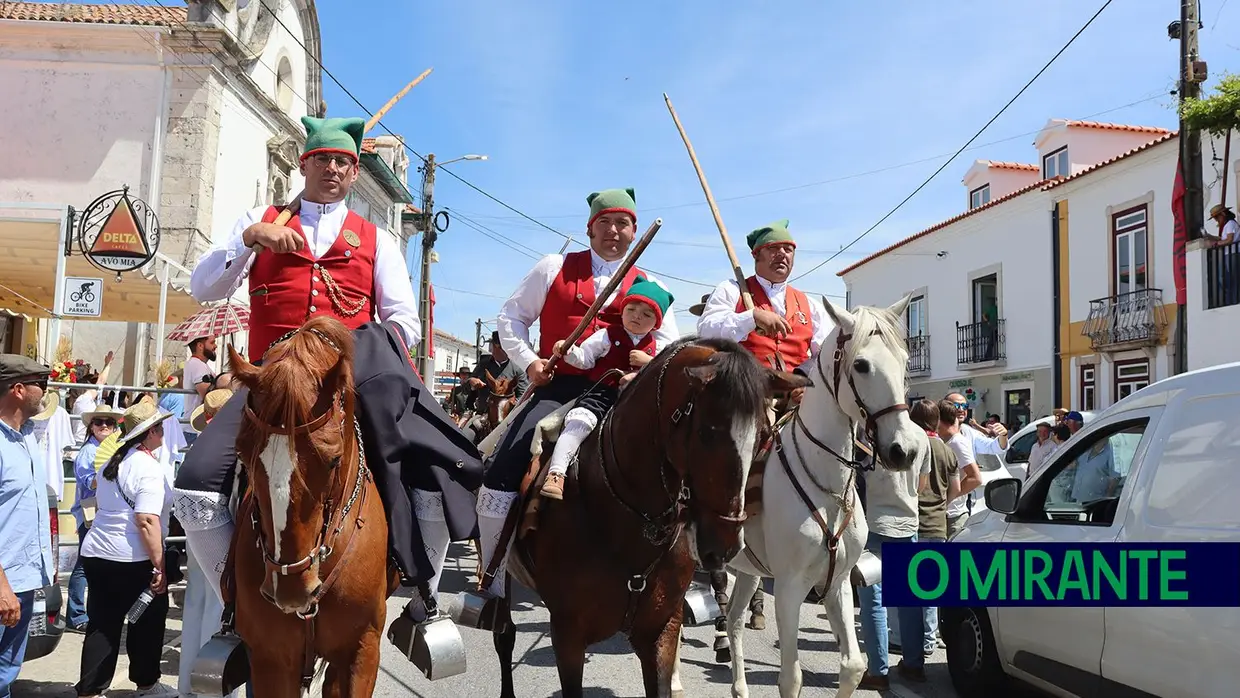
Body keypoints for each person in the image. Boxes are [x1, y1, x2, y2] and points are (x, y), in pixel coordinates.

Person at [177, 116, 481, 657]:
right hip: (271, 385)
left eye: (343, 161)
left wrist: (346, 347)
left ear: (354, 170)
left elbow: (403, 322)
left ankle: (423, 597)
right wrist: (250, 240)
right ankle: (235, 599)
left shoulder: (377, 239)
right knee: (196, 483)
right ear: (304, 165)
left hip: (347, 380)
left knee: (433, 473)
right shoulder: (259, 220)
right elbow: (203, 285)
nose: (333, 169)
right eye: (323, 159)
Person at [483, 187, 680, 597]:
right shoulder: (554, 266)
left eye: (622, 223)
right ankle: (492, 573)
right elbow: (511, 317)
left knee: (682, 470)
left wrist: (648, 364)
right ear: (590, 229)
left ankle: (679, 571)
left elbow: (670, 343)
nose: (613, 230)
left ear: (634, 231)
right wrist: (530, 362)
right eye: (604, 222)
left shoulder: (651, 284)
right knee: (504, 466)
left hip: (627, 391)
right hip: (562, 384)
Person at [696, 220, 833, 628]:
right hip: (746, 394)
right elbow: (707, 330)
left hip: (794, 395)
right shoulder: (731, 291)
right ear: (756, 256)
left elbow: (820, 352)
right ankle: (719, 523)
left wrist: (806, 382)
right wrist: (751, 318)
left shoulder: (806, 302)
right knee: (736, 448)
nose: (782, 256)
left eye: (789, 250)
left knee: (839, 446)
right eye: (774, 250)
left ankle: (838, 536)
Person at [76, 400, 175, 697]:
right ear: (150, 432)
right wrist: (159, 564)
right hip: (133, 556)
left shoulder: (113, 461)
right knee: (147, 622)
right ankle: (146, 683)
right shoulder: (148, 468)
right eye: (159, 427)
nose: (163, 431)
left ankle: (91, 689)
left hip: (99, 552)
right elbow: (146, 520)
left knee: (102, 624)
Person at [541, 279, 672, 500]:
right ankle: (557, 473)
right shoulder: (607, 335)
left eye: (647, 315)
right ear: (622, 312)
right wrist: (568, 350)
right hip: (601, 394)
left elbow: (666, 373)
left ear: (656, 324)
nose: (637, 316)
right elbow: (585, 359)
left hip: (638, 404)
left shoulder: (658, 349)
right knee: (578, 423)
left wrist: (648, 362)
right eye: (631, 309)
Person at [856, 404, 932, 690]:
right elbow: (922, 485)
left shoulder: (869, 433)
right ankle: (914, 665)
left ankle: (878, 670)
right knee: (910, 600)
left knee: (873, 601)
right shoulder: (921, 435)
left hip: (874, 524)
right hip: (908, 524)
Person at [0, 355, 55, 697]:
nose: (46, 393)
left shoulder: (29, 438)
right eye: (42, 385)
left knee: (6, 671)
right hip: (4, 581)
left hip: (24, 579)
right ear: (19, 390)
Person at [66, 405, 124, 633]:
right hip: (91, 512)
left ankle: (86, 612)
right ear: (91, 426)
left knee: (95, 563)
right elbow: (89, 482)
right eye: (98, 422)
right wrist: (110, 474)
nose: (103, 426)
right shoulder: (89, 452)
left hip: (104, 511)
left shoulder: (108, 450)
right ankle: (77, 613)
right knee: (84, 564)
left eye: (108, 422)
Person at [911, 399, 957, 657]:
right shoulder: (947, 450)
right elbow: (957, 488)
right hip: (939, 523)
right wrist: (942, 503)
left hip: (915, 522)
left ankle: (916, 639)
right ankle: (931, 637)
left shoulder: (915, 446)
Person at [938, 399, 984, 539]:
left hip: (954, 517)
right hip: (944, 515)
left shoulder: (958, 442)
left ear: (939, 420)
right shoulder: (943, 440)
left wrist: (947, 498)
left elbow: (975, 478)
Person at [70, 351, 114, 443]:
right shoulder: (83, 400)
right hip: (85, 441)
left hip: (80, 440)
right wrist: (108, 365)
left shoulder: (78, 403)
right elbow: (100, 383)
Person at [182, 337, 217, 416]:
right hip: (196, 426)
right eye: (212, 343)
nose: (215, 346)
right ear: (200, 346)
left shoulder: (198, 364)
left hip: (197, 424)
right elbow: (210, 398)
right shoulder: (197, 365)